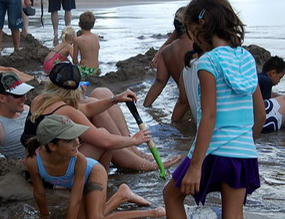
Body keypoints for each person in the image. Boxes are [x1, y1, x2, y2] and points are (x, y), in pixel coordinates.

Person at [154, 0, 265, 219]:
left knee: (171, 195)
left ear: (200, 26)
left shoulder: (207, 62)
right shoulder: (245, 57)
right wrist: (248, 144)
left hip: (214, 149)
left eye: (190, 31)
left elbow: (210, 116)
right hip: (243, 152)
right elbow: (260, 112)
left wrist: (197, 164)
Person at [23, 62, 181, 172]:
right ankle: (147, 165)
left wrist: (115, 99)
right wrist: (136, 139)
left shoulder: (41, 99)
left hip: (40, 159)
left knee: (99, 97)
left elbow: (86, 108)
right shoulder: (66, 111)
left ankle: (134, 154)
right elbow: (104, 140)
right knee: (104, 136)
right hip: (53, 170)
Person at [24, 114, 165, 219]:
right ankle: (122, 195)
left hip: (93, 173)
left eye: (76, 136)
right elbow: (39, 193)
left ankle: (151, 213)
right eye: (69, 140)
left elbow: (75, 199)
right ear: (52, 146)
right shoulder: (33, 161)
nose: (77, 142)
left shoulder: (79, 160)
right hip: (74, 183)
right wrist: (45, 217)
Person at [144, 13, 195, 123]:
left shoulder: (166, 51)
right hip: (198, 105)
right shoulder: (197, 48)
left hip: (182, 106)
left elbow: (159, 82)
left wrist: (146, 106)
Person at [73, 11, 100, 78]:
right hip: (96, 69)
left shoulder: (77, 40)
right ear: (93, 25)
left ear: (79, 24)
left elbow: (75, 61)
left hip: (84, 70)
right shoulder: (96, 37)